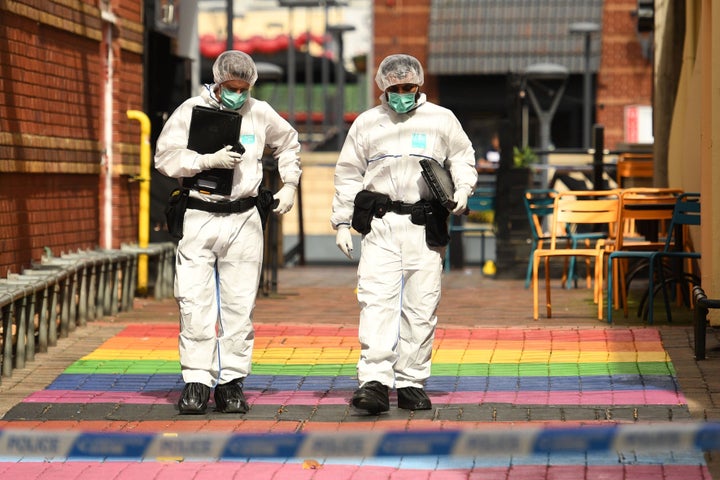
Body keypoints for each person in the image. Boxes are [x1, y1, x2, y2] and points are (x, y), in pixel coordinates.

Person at [155, 50, 302, 415]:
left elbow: (289, 143)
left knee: (239, 304)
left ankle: (231, 382)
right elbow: (164, 157)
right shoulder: (190, 111)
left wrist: (290, 184)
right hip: (200, 214)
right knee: (194, 301)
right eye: (231, 87)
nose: (238, 94)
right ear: (217, 83)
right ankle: (196, 380)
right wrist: (205, 161)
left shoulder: (260, 112)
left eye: (244, 88)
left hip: (244, 217)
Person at [331, 54, 478, 414]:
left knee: (421, 305)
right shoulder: (367, 124)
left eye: (407, 88)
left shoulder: (441, 120)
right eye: (394, 88)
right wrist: (340, 221)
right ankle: (375, 382)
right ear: (382, 87)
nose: (401, 94)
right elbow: (348, 173)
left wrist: (463, 189)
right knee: (376, 304)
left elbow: (462, 157)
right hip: (381, 224)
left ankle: (411, 381)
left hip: (423, 225)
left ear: (419, 85)